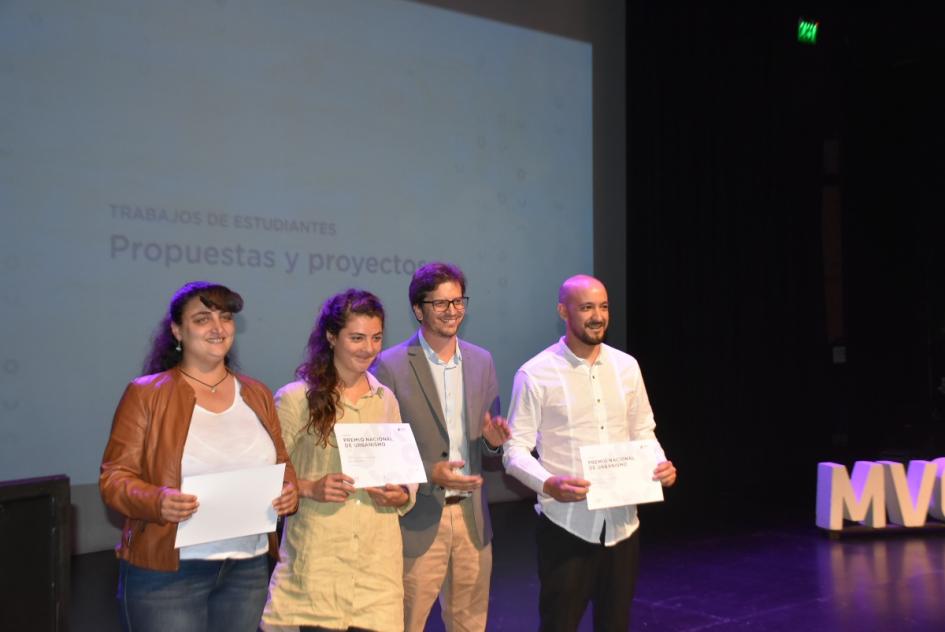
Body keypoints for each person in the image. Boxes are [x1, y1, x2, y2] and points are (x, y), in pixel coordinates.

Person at [100, 281, 299, 632]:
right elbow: (114, 478)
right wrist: (157, 501)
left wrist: (289, 491)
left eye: (225, 317)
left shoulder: (256, 393)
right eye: (202, 318)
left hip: (247, 566)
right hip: (168, 571)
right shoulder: (146, 394)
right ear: (178, 330)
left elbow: (282, 465)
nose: (218, 328)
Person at [503, 274, 677, 632]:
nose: (597, 316)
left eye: (603, 306)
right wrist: (549, 483)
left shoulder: (627, 367)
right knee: (559, 624)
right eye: (586, 307)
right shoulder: (535, 373)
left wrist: (659, 463)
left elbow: (644, 432)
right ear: (562, 311)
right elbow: (514, 450)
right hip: (567, 526)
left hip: (622, 524)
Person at [262, 289, 416, 632]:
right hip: (318, 571)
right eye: (357, 338)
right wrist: (308, 487)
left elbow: (404, 474)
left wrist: (401, 493)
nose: (369, 348)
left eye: (376, 338)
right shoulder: (295, 399)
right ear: (331, 337)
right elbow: (263, 478)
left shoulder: (385, 399)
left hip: (377, 574)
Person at [372, 262, 511, 632]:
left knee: (469, 623)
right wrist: (426, 473)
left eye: (458, 301)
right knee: (405, 622)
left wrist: (495, 445)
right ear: (418, 310)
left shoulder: (482, 361)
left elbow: (487, 441)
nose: (452, 311)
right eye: (440, 304)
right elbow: (382, 450)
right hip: (418, 519)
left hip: (472, 519)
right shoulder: (389, 365)